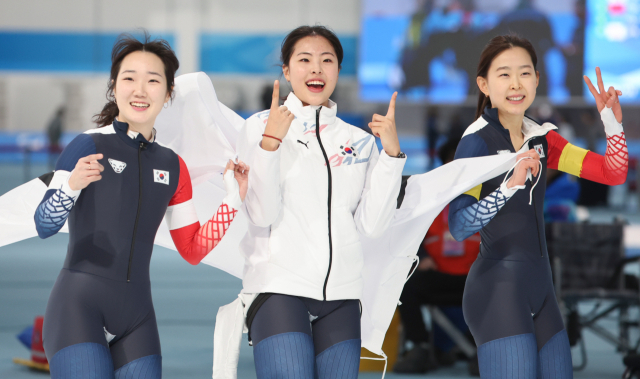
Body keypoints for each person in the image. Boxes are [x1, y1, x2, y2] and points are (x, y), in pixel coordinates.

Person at [34, 33, 248, 379]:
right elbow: (44, 224)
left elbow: (192, 249)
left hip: (137, 318)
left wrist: (233, 198)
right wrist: (71, 187)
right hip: (77, 309)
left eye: (153, 80)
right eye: (129, 78)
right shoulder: (86, 145)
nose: (140, 89)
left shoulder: (173, 165)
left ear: (167, 94)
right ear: (114, 87)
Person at [448, 34, 627, 378]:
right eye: (504, 74)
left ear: (537, 79)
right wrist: (508, 187)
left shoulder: (542, 137)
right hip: (497, 290)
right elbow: (459, 226)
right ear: (484, 84)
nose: (516, 84)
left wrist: (611, 122)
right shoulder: (476, 142)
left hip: (542, 290)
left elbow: (612, 172)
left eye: (524, 73)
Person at [236, 25, 406, 378]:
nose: (316, 69)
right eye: (305, 60)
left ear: (338, 70)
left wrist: (391, 155)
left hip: (342, 297)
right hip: (278, 289)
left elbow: (373, 226)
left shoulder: (358, 141)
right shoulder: (259, 127)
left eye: (327, 60)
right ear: (286, 70)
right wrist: (270, 145)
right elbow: (260, 213)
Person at [394, 139, 480, 375]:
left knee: (501, 286)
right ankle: (420, 347)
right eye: (454, 159)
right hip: (436, 273)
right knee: (405, 287)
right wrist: (419, 256)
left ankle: (484, 350)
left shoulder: (490, 194)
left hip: (477, 276)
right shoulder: (427, 196)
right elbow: (407, 232)